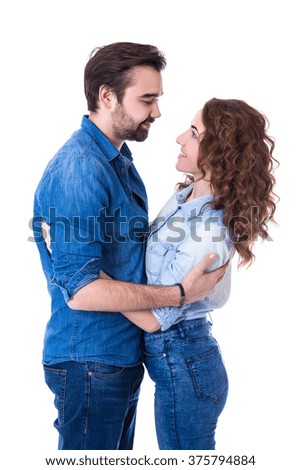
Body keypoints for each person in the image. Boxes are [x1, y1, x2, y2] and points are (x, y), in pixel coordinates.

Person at [32, 43, 227, 450]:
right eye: (147, 99)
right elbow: (82, 291)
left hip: (118, 358)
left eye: (157, 99)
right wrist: (177, 295)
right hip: (90, 360)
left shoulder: (117, 161)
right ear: (107, 96)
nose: (157, 112)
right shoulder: (80, 169)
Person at [111, 98, 278, 449]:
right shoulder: (185, 197)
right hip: (180, 362)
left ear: (220, 151)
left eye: (193, 133)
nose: (178, 139)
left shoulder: (211, 231)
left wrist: (94, 279)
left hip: (185, 365)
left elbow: (156, 319)